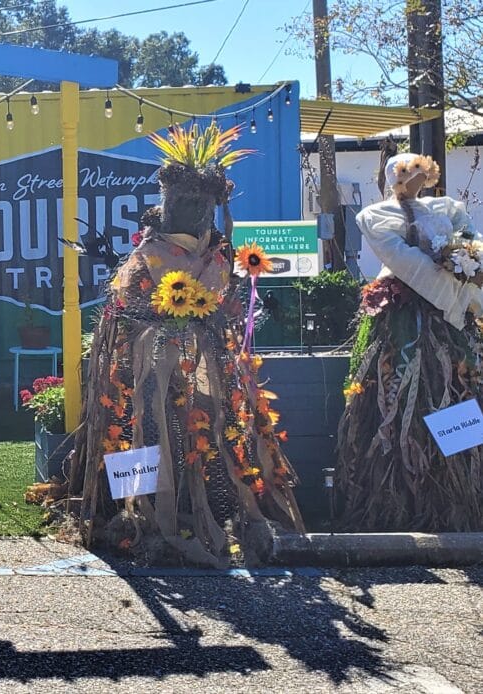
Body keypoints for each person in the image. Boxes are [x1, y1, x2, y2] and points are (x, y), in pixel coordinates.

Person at [68, 124, 304, 568]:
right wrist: (160, 321)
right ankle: (134, 512)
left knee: (211, 432)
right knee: (141, 426)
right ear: (168, 202)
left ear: (213, 206)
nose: (193, 209)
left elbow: (227, 303)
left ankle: (220, 510)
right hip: (148, 366)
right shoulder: (150, 251)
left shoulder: (218, 251)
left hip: (205, 365)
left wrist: (224, 315)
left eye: (202, 202)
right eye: (184, 201)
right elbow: (125, 304)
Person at [336, 153, 483, 531]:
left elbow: (472, 244)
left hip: (447, 326)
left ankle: (460, 494)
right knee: (401, 393)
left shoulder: (446, 208)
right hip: (403, 320)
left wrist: (467, 264)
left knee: (455, 387)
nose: (416, 178)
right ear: (394, 177)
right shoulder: (377, 215)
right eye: (406, 173)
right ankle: (399, 499)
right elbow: (404, 260)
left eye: (421, 171)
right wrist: (449, 280)